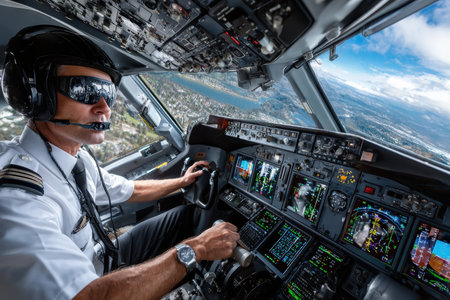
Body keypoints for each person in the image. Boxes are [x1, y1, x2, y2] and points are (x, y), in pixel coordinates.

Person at [0, 25, 240, 300]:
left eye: (109, 94)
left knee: (184, 216)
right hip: (94, 282)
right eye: (86, 90)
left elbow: (128, 190)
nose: (104, 107)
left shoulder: (73, 156)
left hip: (101, 257)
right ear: (36, 97)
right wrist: (196, 249)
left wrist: (182, 182)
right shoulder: (18, 197)